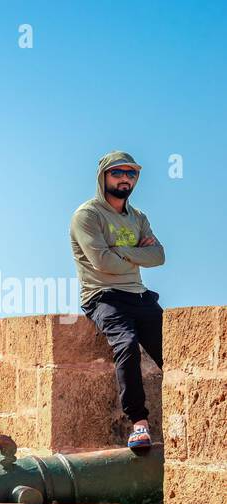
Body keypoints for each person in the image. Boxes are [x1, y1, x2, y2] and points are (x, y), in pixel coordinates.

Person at [70, 151, 166, 448]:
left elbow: (159, 256)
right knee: (126, 345)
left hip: (138, 295)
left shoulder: (139, 217)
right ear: (103, 177)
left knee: (174, 351)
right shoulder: (88, 216)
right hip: (103, 296)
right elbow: (103, 263)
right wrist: (137, 253)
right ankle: (138, 424)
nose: (125, 178)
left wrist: (119, 251)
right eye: (118, 173)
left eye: (131, 174)